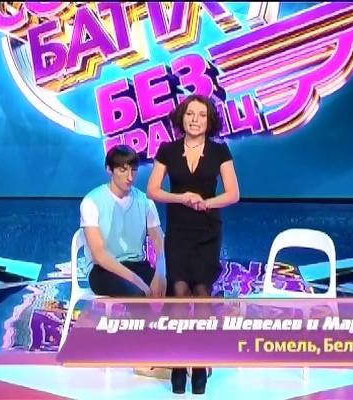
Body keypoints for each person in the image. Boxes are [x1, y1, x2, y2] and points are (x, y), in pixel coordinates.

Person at [147, 94, 240, 395]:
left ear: (209, 120)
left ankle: (199, 365)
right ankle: (177, 365)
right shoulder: (167, 150)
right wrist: (181, 198)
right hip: (178, 232)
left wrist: (206, 203)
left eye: (201, 115)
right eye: (190, 114)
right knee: (178, 292)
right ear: (181, 118)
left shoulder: (220, 151)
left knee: (201, 293)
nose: (195, 120)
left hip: (207, 232)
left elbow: (233, 193)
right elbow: (152, 190)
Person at [81, 144, 167, 298]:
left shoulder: (145, 201)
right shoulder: (91, 202)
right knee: (136, 293)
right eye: (123, 170)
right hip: (103, 269)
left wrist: (160, 273)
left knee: (173, 286)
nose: (130, 177)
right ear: (109, 170)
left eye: (133, 170)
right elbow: (99, 255)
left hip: (137, 265)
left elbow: (158, 240)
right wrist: (138, 282)